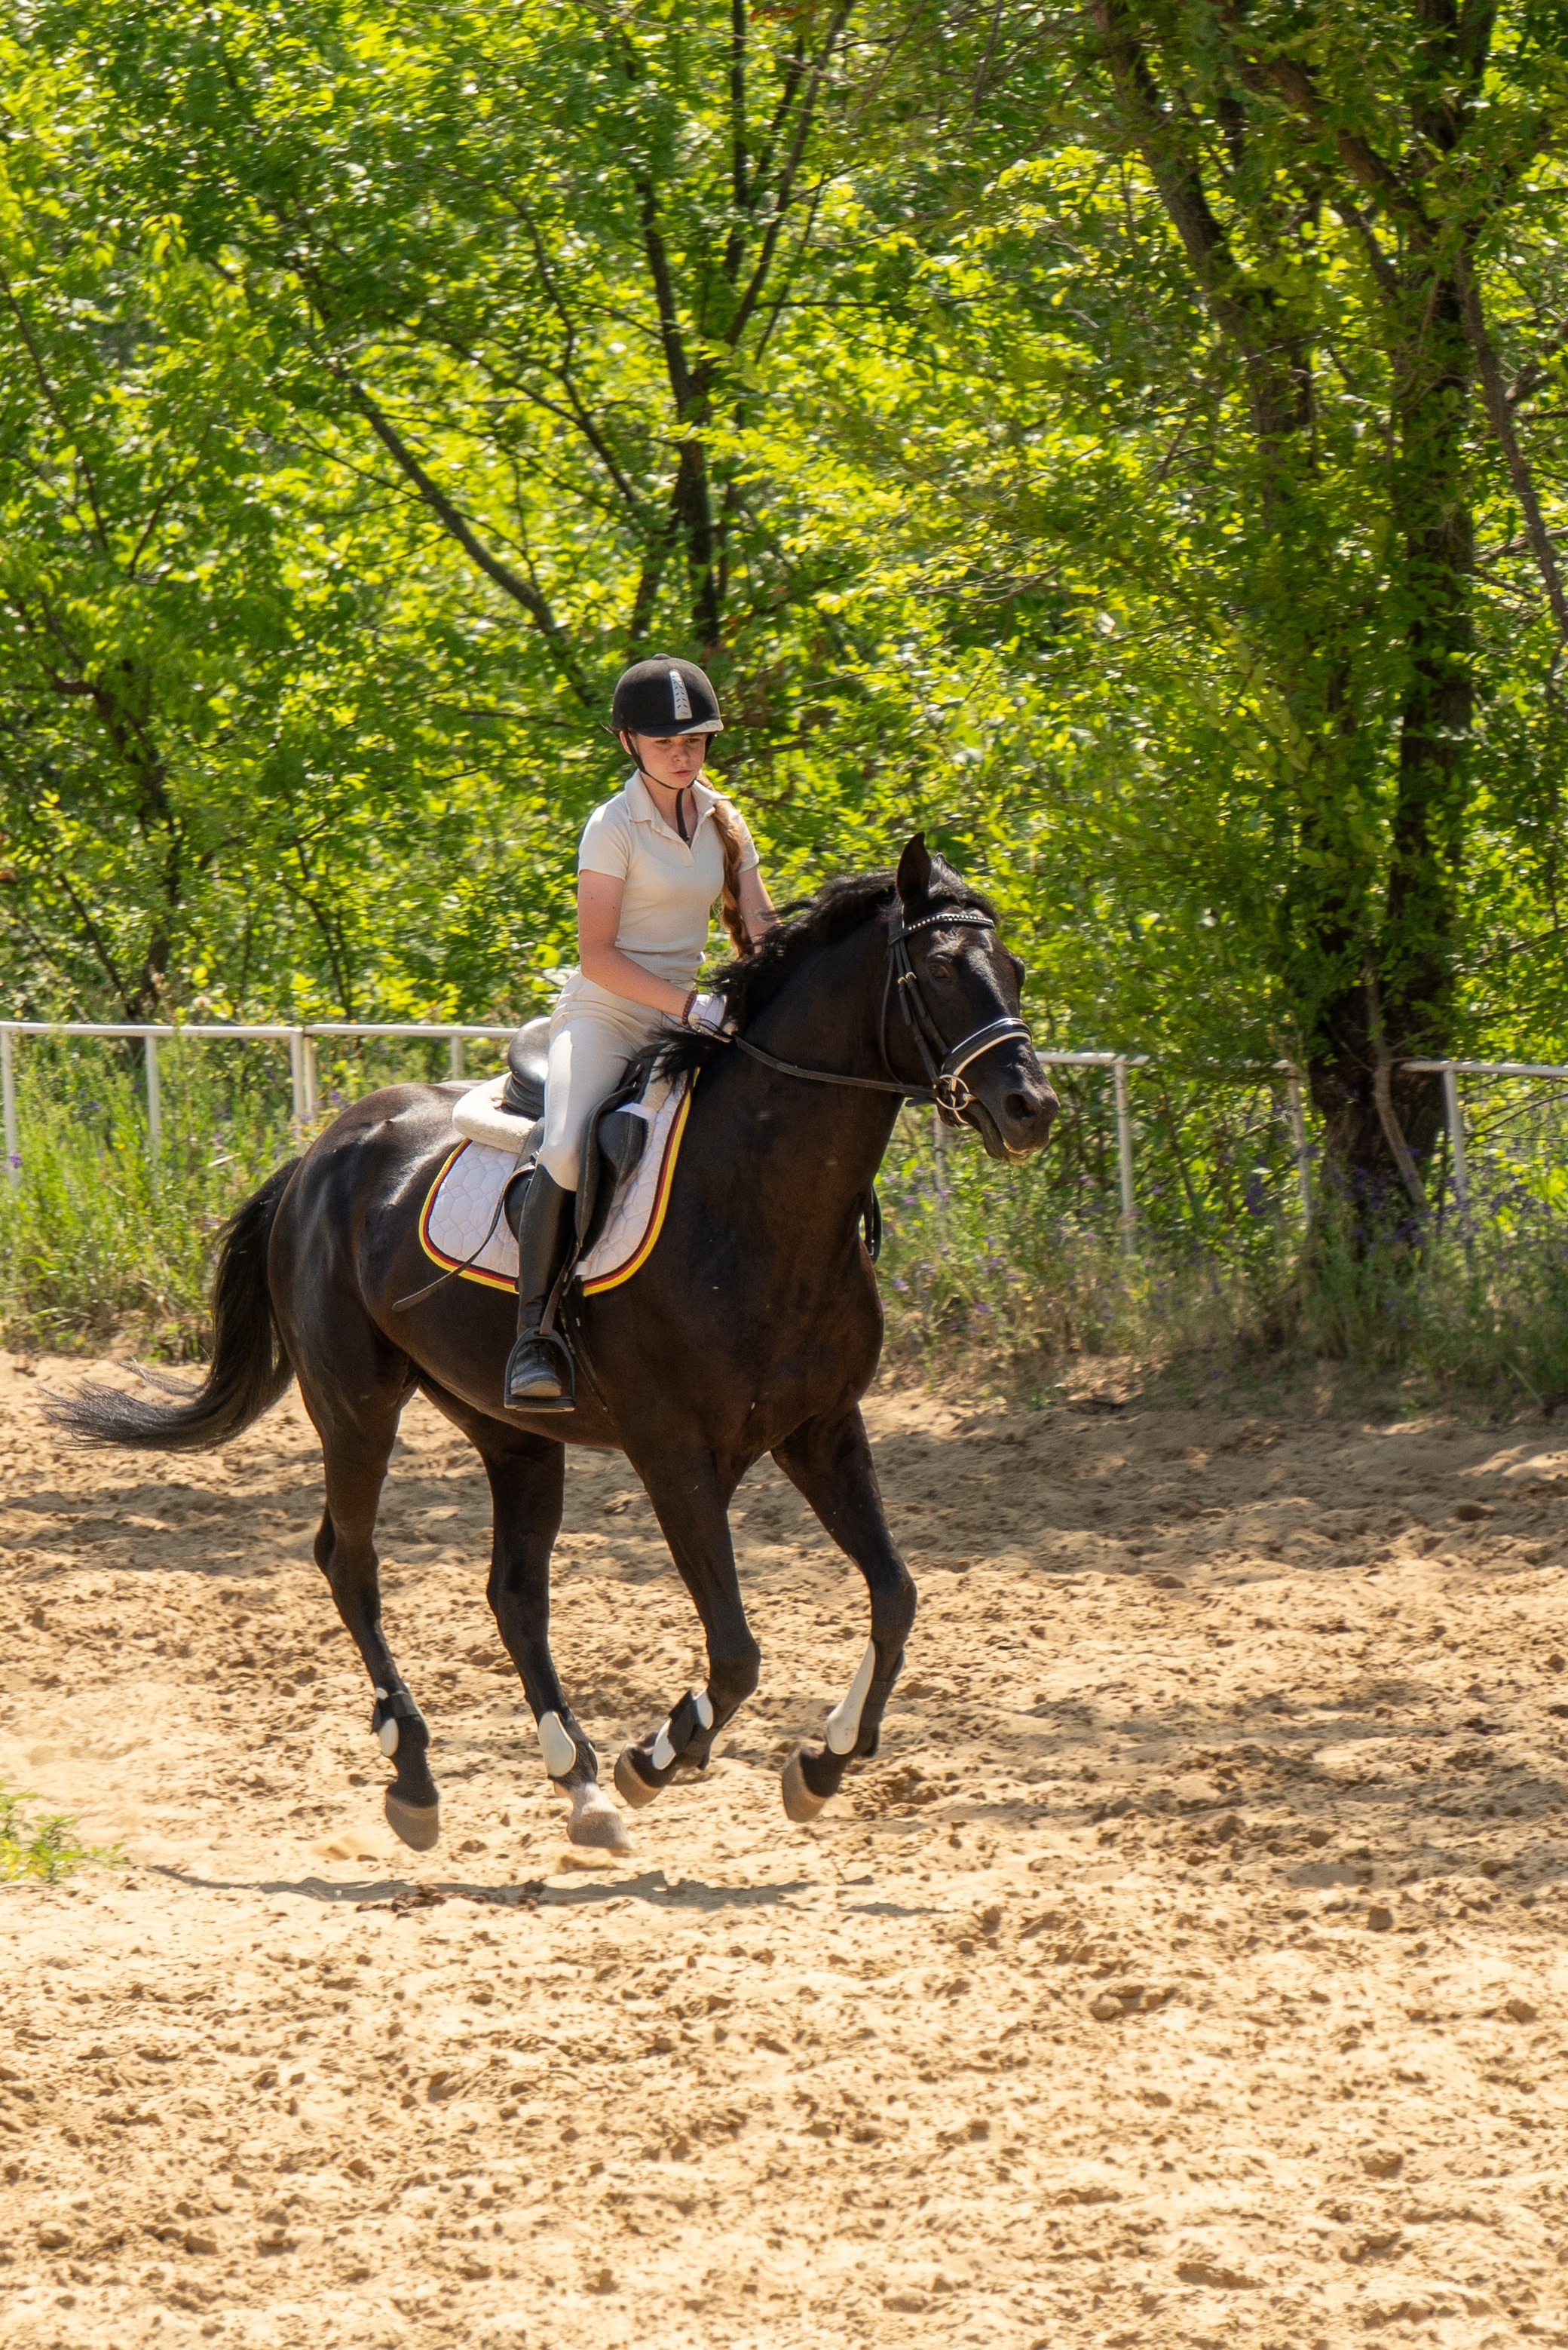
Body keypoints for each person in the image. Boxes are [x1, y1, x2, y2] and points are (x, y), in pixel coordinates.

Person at [504, 655, 778, 1409]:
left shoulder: (725, 818)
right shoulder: (611, 826)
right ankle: (536, 1330)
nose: (684, 754)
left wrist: (778, 985)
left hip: (689, 1014)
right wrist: (689, 1007)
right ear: (628, 742)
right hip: (609, 1011)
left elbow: (758, 928)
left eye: (696, 740)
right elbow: (599, 955)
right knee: (564, 1142)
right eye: (666, 743)